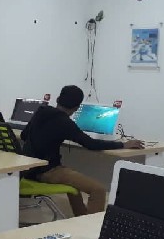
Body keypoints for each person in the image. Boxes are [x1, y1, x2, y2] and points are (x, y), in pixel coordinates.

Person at [21, 85, 143, 216]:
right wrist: (123, 145)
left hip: (28, 169)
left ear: (58, 99)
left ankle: (81, 218)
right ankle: (91, 227)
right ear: (77, 107)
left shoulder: (41, 111)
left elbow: (23, 135)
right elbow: (91, 144)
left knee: (74, 185)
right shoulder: (64, 122)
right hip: (47, 171)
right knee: (98, 190)